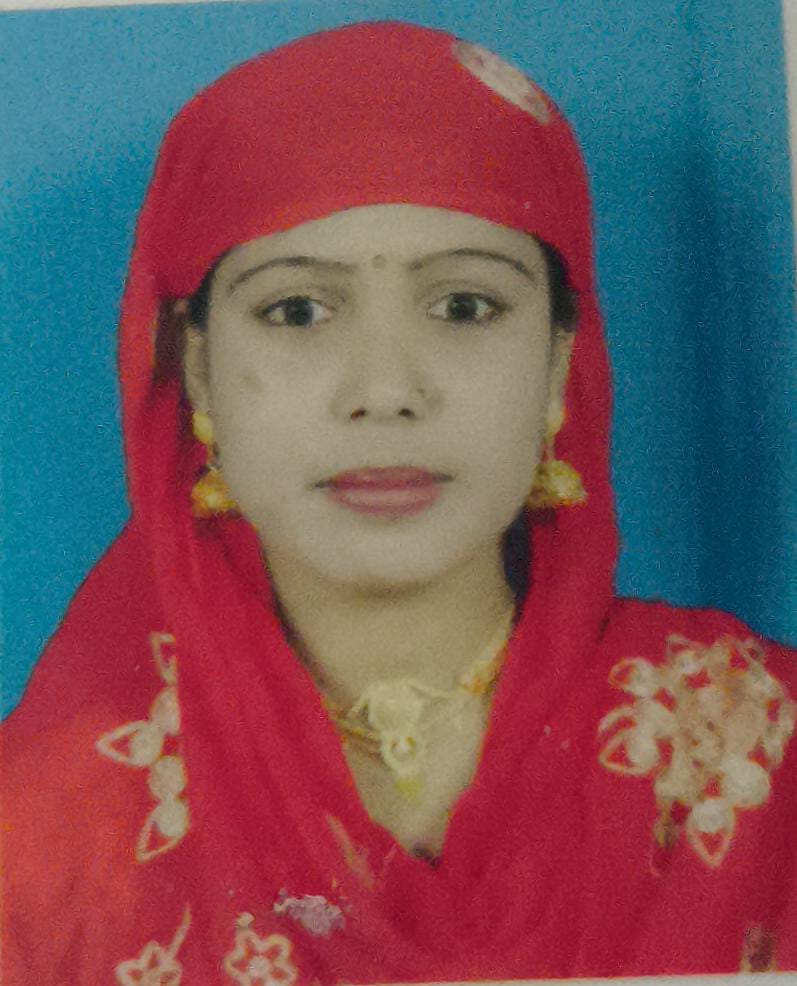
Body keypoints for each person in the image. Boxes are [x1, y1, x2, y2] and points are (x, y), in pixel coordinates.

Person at [2, 19, 796, 985]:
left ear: (558, 361)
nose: (384, 391)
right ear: (196, 368)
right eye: (298, 310)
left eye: (464, 306)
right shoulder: (45, 835)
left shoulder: (758, 747)